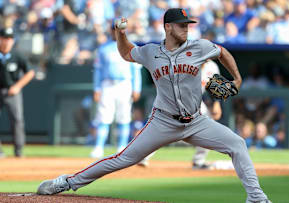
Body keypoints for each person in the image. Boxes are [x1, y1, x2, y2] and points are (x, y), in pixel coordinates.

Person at [37, 8, 271, 203]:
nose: (186, 28)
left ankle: (256, 198)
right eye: (181, 25)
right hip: (163, 121)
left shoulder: (198, 47)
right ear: (168, 27)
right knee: (123, 158)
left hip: (196, 121)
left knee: (237, 144)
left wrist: (237, 78)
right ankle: (68, 182)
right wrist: (120, 33)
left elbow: (222, 52)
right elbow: (127, 53)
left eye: (187, 24)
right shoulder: (151, 52)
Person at [89, 22, 142, 158]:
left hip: (125, 84)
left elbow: (136, 71)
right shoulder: (103, 49)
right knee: (104, 116)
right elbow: (98, 71)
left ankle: (122, 147)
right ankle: (99, 147)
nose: (116, 32)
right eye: (114, 29)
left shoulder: (132, 47)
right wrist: (97, 88)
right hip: (108, 84)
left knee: (123, 116)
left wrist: (136, 88)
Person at [0, 27, 35, 157]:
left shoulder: (17, 55)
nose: (7, 41)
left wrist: (18, 86)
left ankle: (19, 151)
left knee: (17, 120)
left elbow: (30, 72)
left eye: (10, 39)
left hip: (12, 91)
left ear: (13, 41)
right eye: (4, 38)